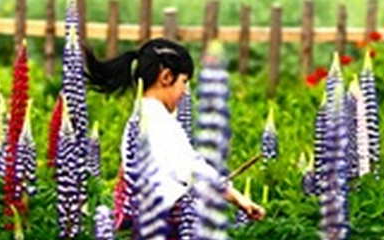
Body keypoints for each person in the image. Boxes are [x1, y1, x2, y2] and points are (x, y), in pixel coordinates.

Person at [86, 37, 266, 223]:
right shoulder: (155, 121)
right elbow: (187, 170)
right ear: (166, 77)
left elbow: (191, 166)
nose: (184, 91)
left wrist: (236, 197)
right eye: (184, 81)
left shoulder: (146, 117)